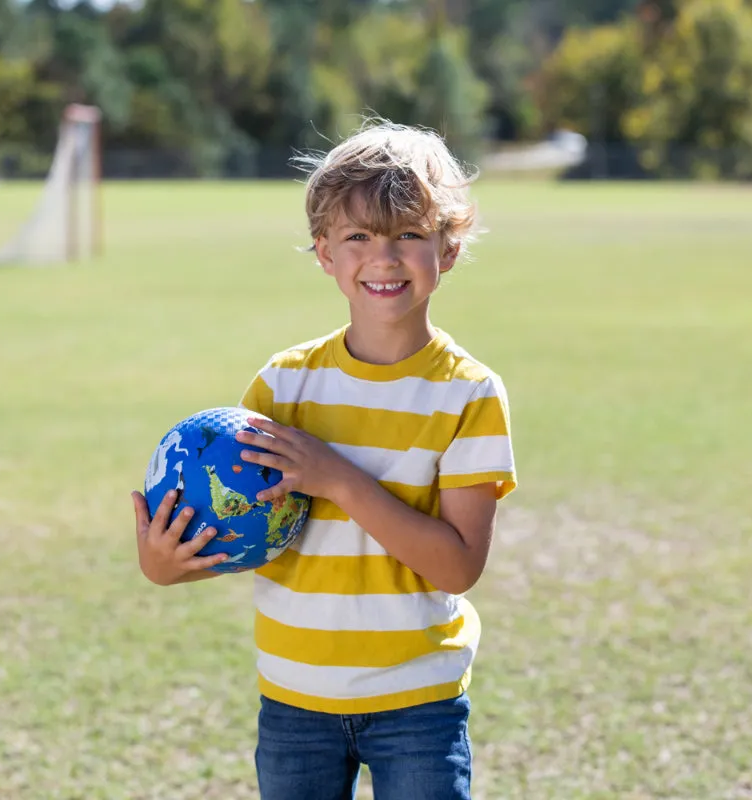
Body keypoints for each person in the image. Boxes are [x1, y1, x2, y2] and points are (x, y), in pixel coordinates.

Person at [132, 120, 517, 800]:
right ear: (324, 253)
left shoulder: (468, 394)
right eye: (358, 237)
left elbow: (459, 565)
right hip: (293, 698)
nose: (385, 257)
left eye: (409, 234)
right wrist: (164, 565)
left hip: (417, 701)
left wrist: (335, 477)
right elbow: (244, 526)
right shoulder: (281, 386)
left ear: (448, 249)